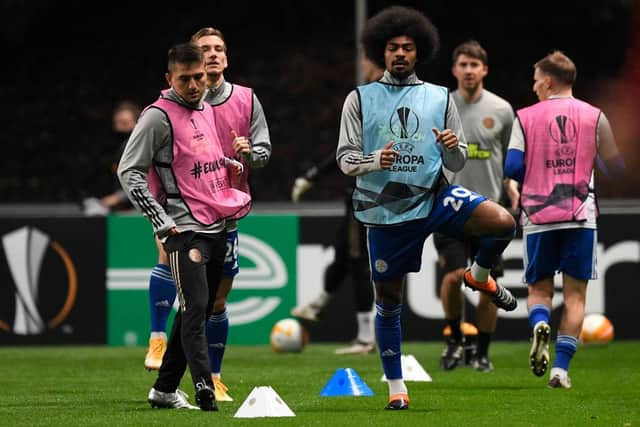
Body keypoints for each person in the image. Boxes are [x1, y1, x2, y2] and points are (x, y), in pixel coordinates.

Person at [336, 6, 518, 410]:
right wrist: (372, 162)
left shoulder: (438, 97)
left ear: (419, 53)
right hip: (385, 209)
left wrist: (453, 148)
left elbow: (454, 165)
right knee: (388, 299)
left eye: (408, 48)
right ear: (380, 53)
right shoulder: (360, 99)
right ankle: (397, 388)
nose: (400, 54)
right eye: (393, 48)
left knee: (502, 222)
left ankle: (480, 276)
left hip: (434, 197)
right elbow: (345, 159)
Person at [118, 42, 250, 411]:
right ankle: (205, 387)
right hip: (182, 228)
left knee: (202, 309)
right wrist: (160, 221)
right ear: (169, 79)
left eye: (199, 78)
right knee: (195, 306)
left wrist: (227, 164)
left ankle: (163, 391)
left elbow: (200, 154)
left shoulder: (205, 107)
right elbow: (129, 172)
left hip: (216, 223)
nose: (193, 85)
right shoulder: (156, 117)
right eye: (185, 79)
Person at [504, 50, 625, 389]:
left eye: (535, 81)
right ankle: (560, 370)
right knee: (575, 297)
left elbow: (512, 168)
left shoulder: (525, 117)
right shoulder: (595, 115)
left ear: (548, 81)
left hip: (539, 215)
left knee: (540, 291)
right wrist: (591, 159)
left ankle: (540, 322)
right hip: (580, 215)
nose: (533, 88)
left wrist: (538, 169)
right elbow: (617, 168)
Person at [191, 27, 272, 401]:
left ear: (227, 56)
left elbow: (264, 153)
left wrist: (250, 151)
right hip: (189, 210)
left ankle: (216, 377)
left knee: (218, 300)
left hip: (229, 213)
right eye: (205, 49)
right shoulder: (181, 101)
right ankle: (165, 351)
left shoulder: (246, 99)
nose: (213, 54)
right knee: (192, 298)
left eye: (219, 48)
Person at [289, 56, 383, 355]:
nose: (361, 62)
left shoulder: (374, 99)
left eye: (365, 57)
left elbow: (346, 152)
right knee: (345, 253)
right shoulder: (373, 96)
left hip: (367, 196)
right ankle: (317, 304)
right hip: (360, 194)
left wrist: (313, 175)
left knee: (358, 262)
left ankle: (367, 338)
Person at [434, 40, 517, 373]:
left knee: (486, 284)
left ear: (484, 70)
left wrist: (512, 185)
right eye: (463, 65)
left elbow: (509, 156)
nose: (469, 71)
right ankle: (455, 340)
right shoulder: (440, 105)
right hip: (448, 209)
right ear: (454, 70)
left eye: (475, 65)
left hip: (489, 212)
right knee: (454, 277)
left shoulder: (501, 109)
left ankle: (482, 352)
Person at [82, 101, 140, 216]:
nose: (119, 128)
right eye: (117, 123)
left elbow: (143, 181)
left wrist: (117, 198)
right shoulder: (116, 147)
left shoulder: (137, 146)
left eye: (124, 123)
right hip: (123, 206)